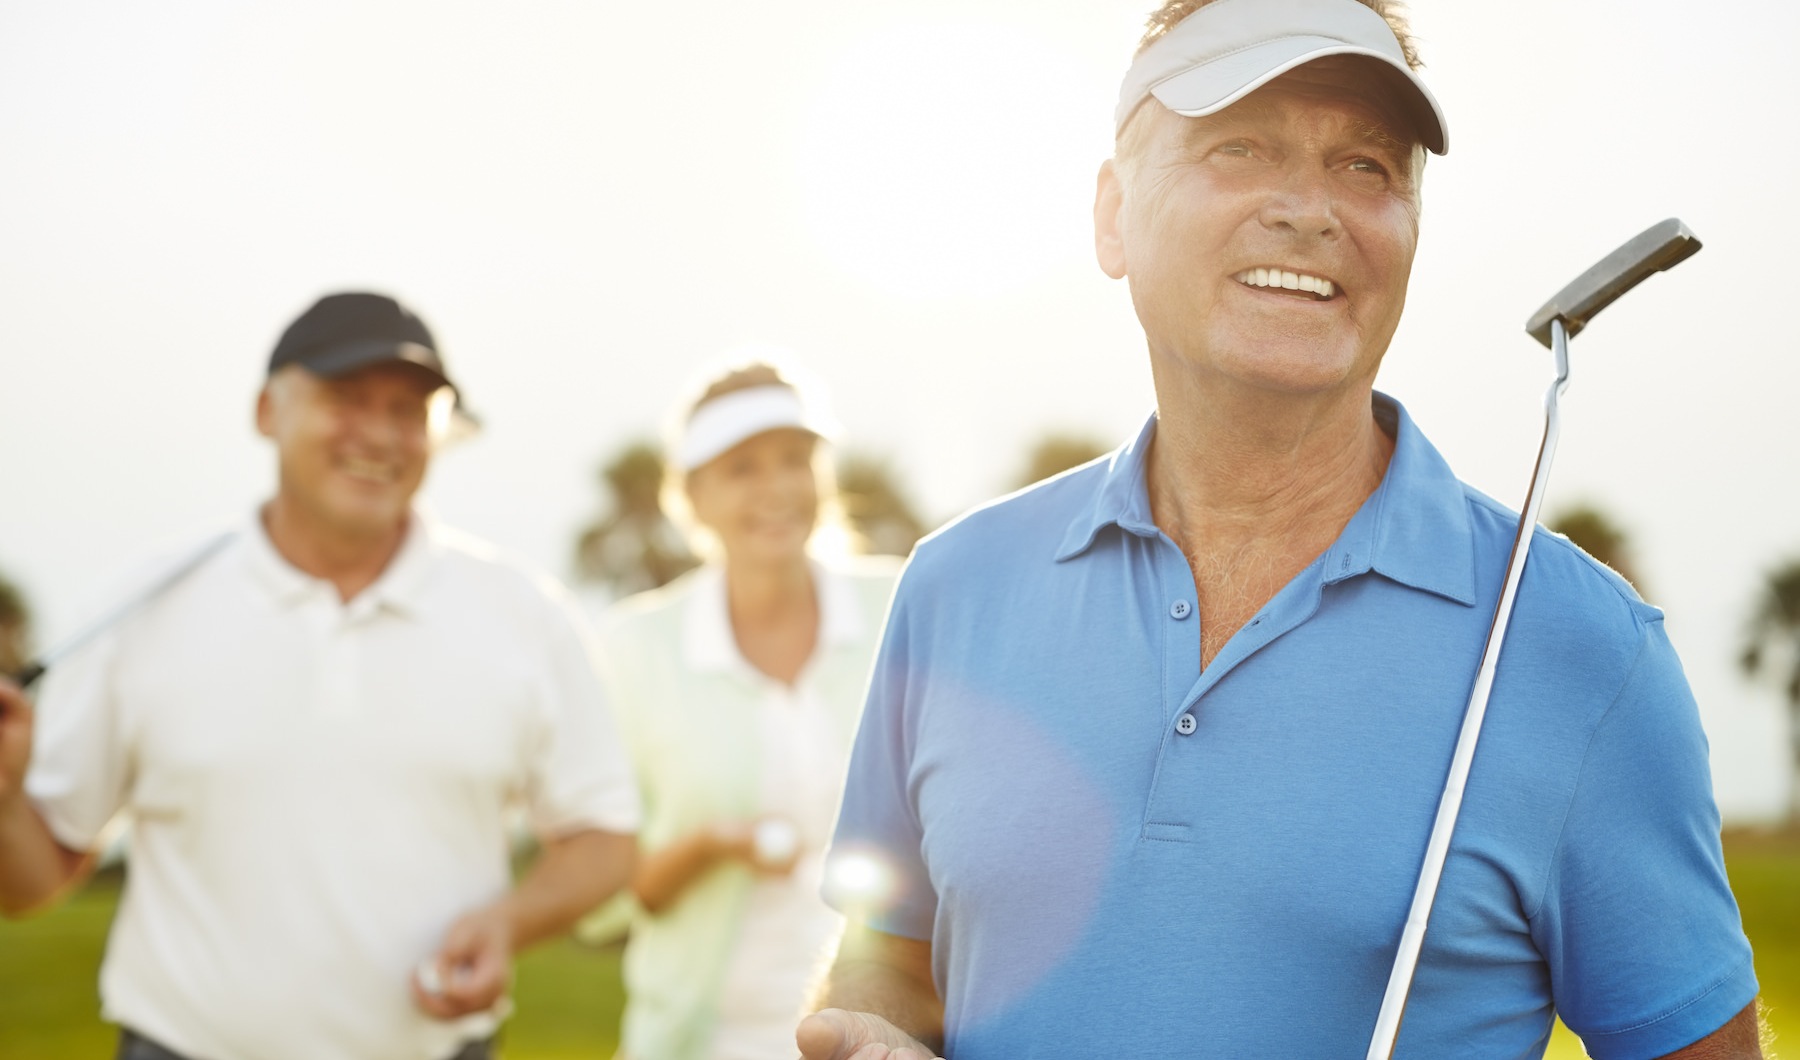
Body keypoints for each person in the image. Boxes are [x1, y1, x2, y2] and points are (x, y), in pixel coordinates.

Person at [797, 2, 1765, 1058]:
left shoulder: (1584, 651)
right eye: (1239, 146)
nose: (1310, 210)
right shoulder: (955, 588)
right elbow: (886, 951)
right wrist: (875, 1030)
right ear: (1112, 213)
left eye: (1366, 166)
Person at [0, 291, 640, 1060]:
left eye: (409, 410)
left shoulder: (525, 614)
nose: (379, 433)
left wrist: (509, 922)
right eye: (346, 399)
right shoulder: (143, 608)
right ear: (267, 411)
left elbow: (603, 838)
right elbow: (35, 881)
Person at [599, 362, 898, 1060]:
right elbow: (609, 883)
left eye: (796, 461)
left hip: (881, 1035)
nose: (778, 489)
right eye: (743, 469)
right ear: (693, 497)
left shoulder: (901, 605)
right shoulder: (635, 647)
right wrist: (710, 845)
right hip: (703, 1041)